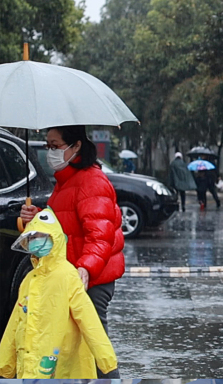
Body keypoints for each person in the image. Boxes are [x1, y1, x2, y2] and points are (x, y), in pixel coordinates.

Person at [20, 125, 124, 378]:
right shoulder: (66, 181)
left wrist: (85, 268)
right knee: (73, 349)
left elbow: (101, 235)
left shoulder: (91, 181)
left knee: (96, 346)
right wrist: (36, 219)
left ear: (76, 146)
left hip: (91, 279)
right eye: (48, 146)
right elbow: (62, 228)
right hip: (70, 277)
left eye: (55, 146)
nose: (50, 152)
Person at [0, 208, 118, 379]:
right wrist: (4, 365)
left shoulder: (67, 276)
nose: (34, 242)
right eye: (31, 238)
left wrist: (107, 363)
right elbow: (15, 322)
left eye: (39, 236)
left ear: (54, 239)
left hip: (59, 362)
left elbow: (88, 319)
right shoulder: (29, 279)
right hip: (30, 363)